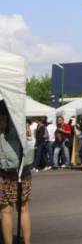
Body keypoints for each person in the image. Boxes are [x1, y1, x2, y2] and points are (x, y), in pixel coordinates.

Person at [0, 103, 33, 243]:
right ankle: (27, 242)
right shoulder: (22, 119)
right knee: (24, 208)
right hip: (23, 168)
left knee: (6, 211)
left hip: (5, 172)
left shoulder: (2, 120)